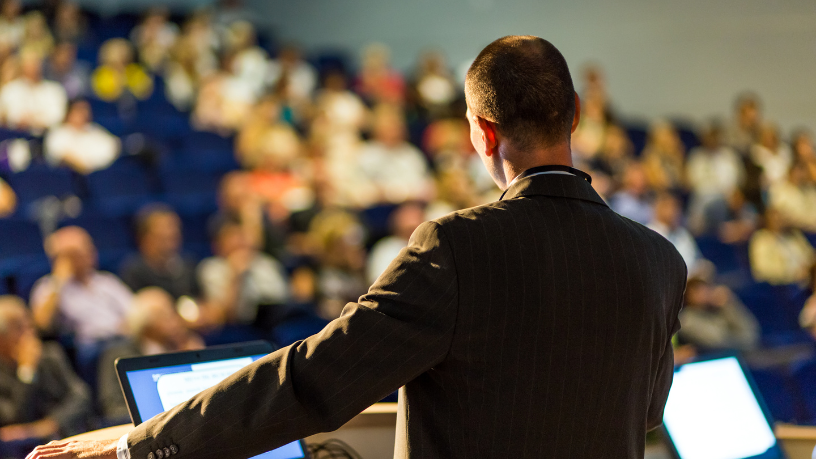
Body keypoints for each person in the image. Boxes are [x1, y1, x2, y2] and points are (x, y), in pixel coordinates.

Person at [28, 35, 687, 459]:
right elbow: (647, 409)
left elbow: (313, 379)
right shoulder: (661, 261)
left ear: (482, 135)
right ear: (574, 114)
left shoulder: (459, 248)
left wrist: (137, 446)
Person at [29, 227, 133, 381]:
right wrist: (60, 278)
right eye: (76, 253)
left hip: (123, 337)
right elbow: (42, 323)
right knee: (120, 352)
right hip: (91, 348)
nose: (87, 255)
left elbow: (136, 312)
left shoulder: (107, 281)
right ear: (60, 259)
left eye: (88, 248)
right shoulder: (49, 287)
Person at [97, 288, 203, 425]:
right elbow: (112, 407)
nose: (175, 320)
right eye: (166, 315)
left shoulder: (179, 348)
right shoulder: (117, 355)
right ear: (145, 323)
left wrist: (193, 359)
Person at [0, 296, 91, 455]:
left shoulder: (50, 354)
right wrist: (27, 371)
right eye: (19, 328)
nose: (29, 335)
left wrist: (51, 423)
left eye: (29, 326)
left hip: (64, 437)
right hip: (24, 451)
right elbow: (14, 419)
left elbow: (81, 396)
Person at [119, 205, 200, 300]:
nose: (172, 233)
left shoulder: (188, 264)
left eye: (174, 230)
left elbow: (201, 300)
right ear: (145, 237)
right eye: (165, 229)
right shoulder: (133, 272)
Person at [677, 277, 759, 352]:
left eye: (705, 288)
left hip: (745, 352)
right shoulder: (687, 320)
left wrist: (729, 304)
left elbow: (752, 331)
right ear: (687, 296)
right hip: (719, 359)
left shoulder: (720, 308)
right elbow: (721, 342)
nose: (704, 293)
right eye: (697, 291)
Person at [44, 99, 121, 174]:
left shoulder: (95, 130)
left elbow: (112, 149)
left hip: (98, 177)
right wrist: (82, 167)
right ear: (69, 112)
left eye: (86, 109)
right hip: (68, 178)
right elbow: (61, 155)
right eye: (79, 109)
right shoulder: (58, 132)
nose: (83, 113)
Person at [0, 48, 67, 133]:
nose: (34, 67)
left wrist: (36, 121)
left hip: (44, 136)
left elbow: (57, 117)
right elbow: (8, 115)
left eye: (36, 63)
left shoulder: (54, 90)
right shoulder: (10, 89)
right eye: (30, 64)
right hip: (15, 135)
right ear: (22, 66)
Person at [749, 207, 815, 285]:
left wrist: (809, 268)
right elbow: (762, 270)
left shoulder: (794, 234)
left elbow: (811, 254)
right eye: (775, 219)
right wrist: (793, 274)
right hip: (784, 286)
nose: (779, 221)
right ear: (767, 220)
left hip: (809, 277)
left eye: (780, 218)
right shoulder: (761, 240)